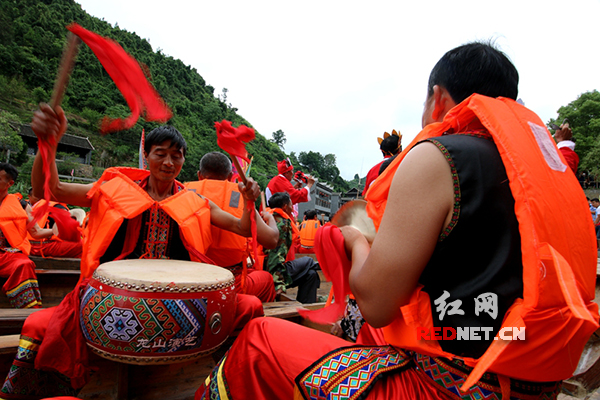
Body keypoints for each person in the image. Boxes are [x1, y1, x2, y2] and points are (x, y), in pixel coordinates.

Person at [198, 42, 598, 400]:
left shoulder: (438, 155)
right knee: (370, 333)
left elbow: (375, 304)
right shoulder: (555, 177)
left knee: (259, 339)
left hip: (451, 385)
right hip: (532, 378)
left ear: (438, 99)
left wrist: (355, 242)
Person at [0, 104, 279, 399]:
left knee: (248, 306)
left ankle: (228, 385)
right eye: (161, 154)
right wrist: (48, 144)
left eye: (177, 155)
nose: (169, 162)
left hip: (181, 302)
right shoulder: (114, 188)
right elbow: (50, 189)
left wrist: (250, 202)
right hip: (112, 298)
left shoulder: (195, 201)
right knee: (39, 325)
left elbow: (241, 227)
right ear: (146, 155)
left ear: (184, 159)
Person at [186, 151, 276, 302]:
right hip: (229, 281)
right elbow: (272, 240)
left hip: (191, 278)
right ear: (229, 177)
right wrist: (270, 218)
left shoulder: (185, 192)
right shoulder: (240, 195)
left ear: (199, 175)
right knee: (266, 279)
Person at [0, 163, 49, 308]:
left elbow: (36, 232)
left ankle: (28, 311)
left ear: (10, 183)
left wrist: (55, 231)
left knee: (24, 264)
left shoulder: (21, 205)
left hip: (6, 255)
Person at [264, 192, 320, 303]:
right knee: (309, 261)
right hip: (272, 273)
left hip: (266, 268)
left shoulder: (265, 218)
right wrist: (278, 284)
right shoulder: (282, 223)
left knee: (311, 274)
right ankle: (324, 267)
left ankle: (305, 308)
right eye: (291, 204)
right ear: (285, 207)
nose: (291, 207)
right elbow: (275, 256)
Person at [362, 130, 402, 196]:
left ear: (382, 151)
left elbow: (365, 196)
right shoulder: (403, 165)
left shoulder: (371, 171)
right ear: (399, 149)